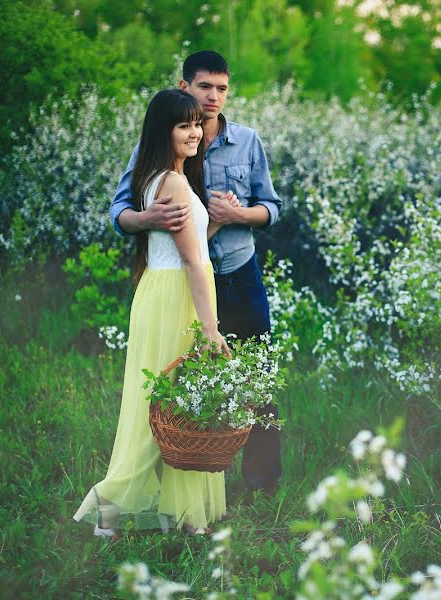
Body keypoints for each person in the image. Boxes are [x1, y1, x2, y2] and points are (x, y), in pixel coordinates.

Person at [110, 51, 284, 491]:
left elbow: (273, 208)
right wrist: (146, 221)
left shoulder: (246, 141)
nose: (214, 97)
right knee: (181, 383)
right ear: (185, 86)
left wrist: (240, 215)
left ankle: (260, 483)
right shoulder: (160, 141)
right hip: (187, 284)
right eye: (205, 86)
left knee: (254, 378)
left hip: (239, 274)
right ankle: (184, 479)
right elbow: (119, 211)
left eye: (222, 88)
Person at [75, 89, 231, 537]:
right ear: (164, 132)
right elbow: (192, 260)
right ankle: (109, 500)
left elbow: (186, 241)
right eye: (184, 125)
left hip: (160, 293)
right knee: (168, 408)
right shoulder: (174, 181)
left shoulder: (158, 178)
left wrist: (217, 218)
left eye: (197, 124)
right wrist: (210, 327)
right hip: (176, 297)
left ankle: (178, 514)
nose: (196, 133)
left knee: (171, 406)